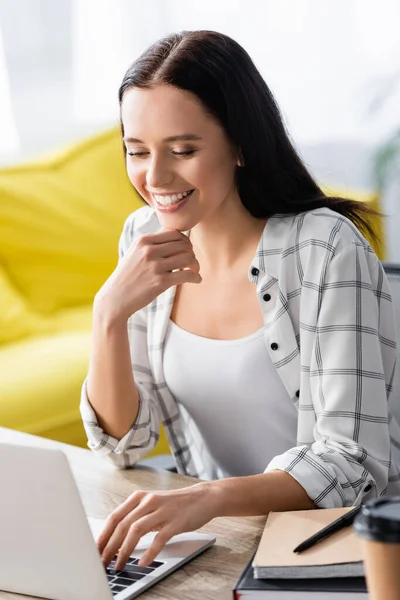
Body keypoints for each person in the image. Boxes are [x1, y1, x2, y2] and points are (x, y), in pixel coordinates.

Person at [80, 30, 400, 571]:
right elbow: (123, 446)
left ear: (241, 143)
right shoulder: (143, 237)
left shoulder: (324, 247)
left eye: (183, 150)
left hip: (337, 546)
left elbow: (349, 462)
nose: (155, 178)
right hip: (222, 542)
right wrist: (108, 315)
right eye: (137, 151)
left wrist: (206, 499)